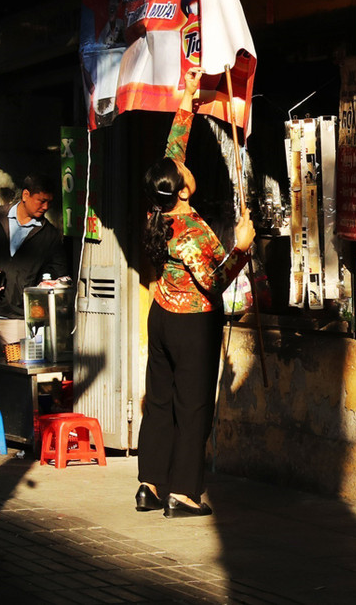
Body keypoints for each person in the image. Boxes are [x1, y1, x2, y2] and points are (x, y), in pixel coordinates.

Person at [135, 67, 256, 518]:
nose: (185, 164)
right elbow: (215, 280)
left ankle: (149, 483)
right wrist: (241, 249)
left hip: (161, 315)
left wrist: (186, 98)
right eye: (184, 170)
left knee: (161, 400)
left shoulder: (159, 208)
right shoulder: (189, 231)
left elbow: (173, 148)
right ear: (183, 189)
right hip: (191, 325)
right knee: (192, 406)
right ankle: (183, 492)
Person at [0, 173, 70, 409]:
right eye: (41, 200)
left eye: (49, 202)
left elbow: (58, 272)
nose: (45, 207)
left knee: (18, 373)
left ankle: (13, 434)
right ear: (26, 195)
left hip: (16, 315)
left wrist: (48, 284)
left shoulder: (49, 235)